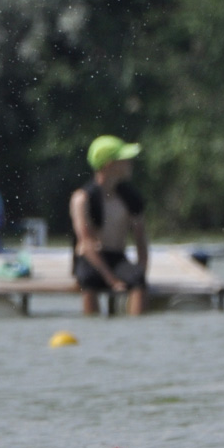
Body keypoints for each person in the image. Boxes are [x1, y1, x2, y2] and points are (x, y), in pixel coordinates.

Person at [69, 135, 149, 316]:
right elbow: (86, 243)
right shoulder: (82, 199)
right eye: (124, 159)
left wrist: (142, 269)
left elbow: (141, 240)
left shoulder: (131, 198)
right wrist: (111, 280)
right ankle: (92, 326)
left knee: (138, 279)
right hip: (90, 259)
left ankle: (138, 327)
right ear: (109, 164)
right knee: (89, 280)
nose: (130, 163)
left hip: (117, 256)